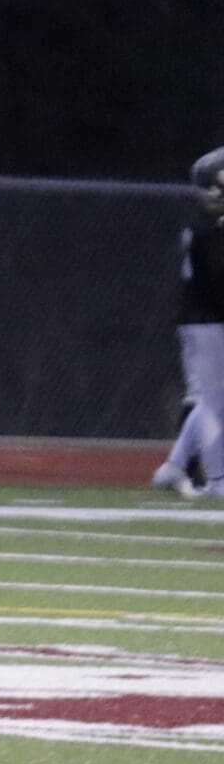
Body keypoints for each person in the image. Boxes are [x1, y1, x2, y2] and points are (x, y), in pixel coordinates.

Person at [153, 145, 224, 500]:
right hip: (208, 320)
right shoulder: (210, 229)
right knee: (213, 402)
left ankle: (175, 466)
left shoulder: (205, 225)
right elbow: (216, 282)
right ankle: (217, 479)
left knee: (209, 399)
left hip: (202, 319)